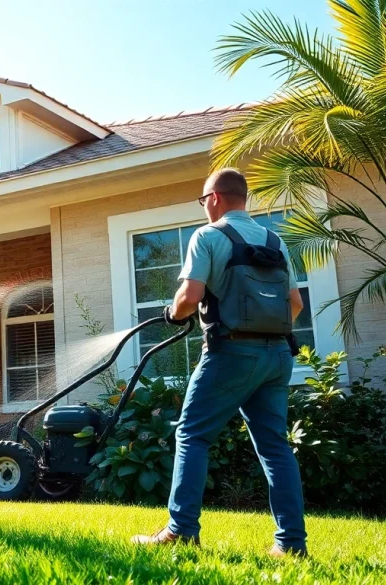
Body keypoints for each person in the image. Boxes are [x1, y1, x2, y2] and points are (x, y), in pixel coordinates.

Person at [131, 168, 308, 557]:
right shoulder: (276, 242)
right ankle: (291, 544)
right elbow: (295, 304)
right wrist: (266, 335)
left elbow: (190, 296)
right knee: (275, 447)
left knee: (192, 435)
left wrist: (174, 314)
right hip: (279, 354)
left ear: (213, 198)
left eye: (203, 201)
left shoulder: (208, 236)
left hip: (231, 353)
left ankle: (181, 530)